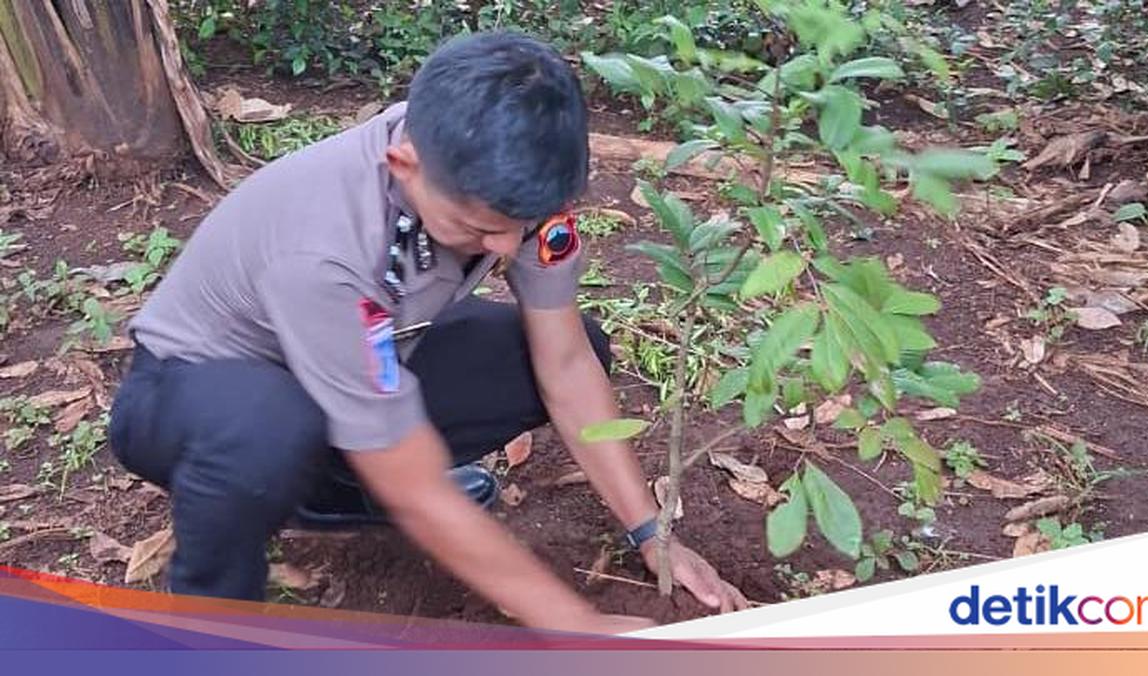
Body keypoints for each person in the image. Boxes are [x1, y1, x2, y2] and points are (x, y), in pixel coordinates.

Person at [107, 31, 747, 634]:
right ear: (403, 165)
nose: (503, 247)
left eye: (516, 225)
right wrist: (574, 624)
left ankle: (333, 494)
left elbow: (567, 364)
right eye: (476, 227)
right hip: (189, 393)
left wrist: (651, 533)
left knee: (564, 348)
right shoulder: (322, 249)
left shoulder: (517, 188)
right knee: (269, 428)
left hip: (353, 360)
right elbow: (411, 479)